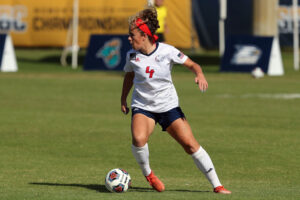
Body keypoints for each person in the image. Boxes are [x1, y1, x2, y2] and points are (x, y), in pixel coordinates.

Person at [120, 7, 231, 194]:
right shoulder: (131, 55)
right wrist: (123, 99)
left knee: (190, 145)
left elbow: (192, 64)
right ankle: (149, 174)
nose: (129, 39)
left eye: (132, 35)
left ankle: (217, 185)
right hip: (143, 106)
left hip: (168, 107)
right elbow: (129, 77)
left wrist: (200, 74)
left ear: (144, 36)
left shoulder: (167, 51)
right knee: (139, 139)